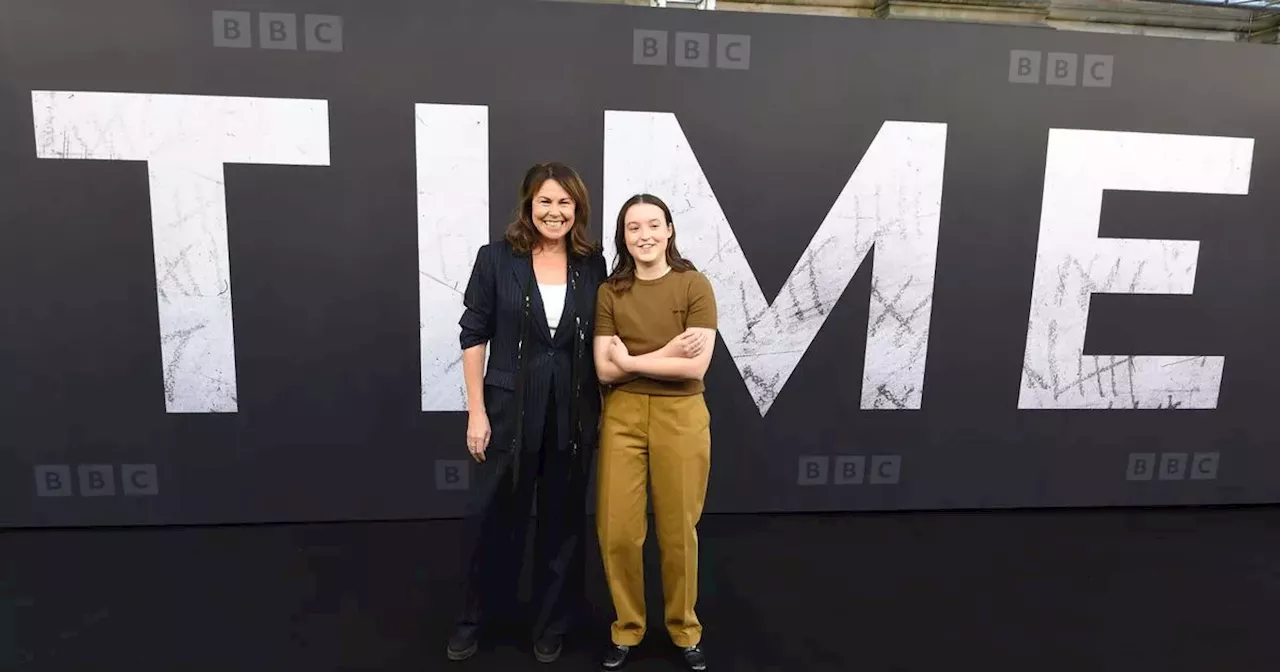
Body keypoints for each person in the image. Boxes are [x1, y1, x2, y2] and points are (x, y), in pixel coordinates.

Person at [446, 162, 607, 664]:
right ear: (528, 204)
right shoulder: (496, 259)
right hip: (508, 409)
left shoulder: (592, 264)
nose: (554, 211)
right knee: (494, 521)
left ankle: (551, 625)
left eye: (564, 203)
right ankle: (475, 620)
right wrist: (477, 411)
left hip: (572, 415)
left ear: (576, 209)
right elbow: (474, 334)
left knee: (562, 524)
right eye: (545, 201)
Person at [593, 194, 718, 671]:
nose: (643, 235)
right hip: (622, 418)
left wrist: (630, 360)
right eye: (632, 227)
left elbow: (696, 367)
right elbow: (604, 372)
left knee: (677, 531)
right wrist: (664, 353)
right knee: (618, 530)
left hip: (682, 416)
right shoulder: (611, 291)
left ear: (669, 230)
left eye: (652, 225)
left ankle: (684, 629)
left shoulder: (694, 285)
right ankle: (627, 627)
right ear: (623, 237)